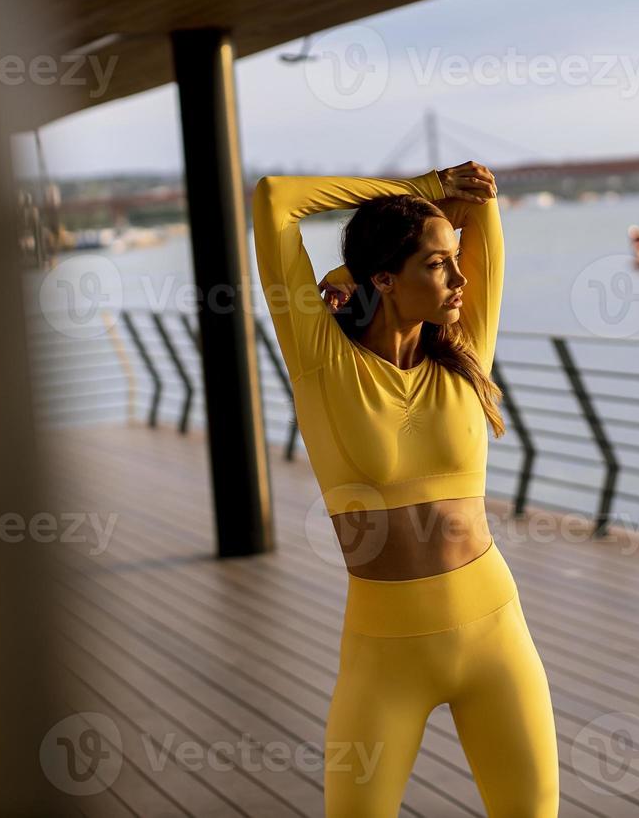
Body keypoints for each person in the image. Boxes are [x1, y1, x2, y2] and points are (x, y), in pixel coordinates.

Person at [251, 161, 560, 817]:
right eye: (437, 264)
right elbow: (275, 200)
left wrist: (448, 206)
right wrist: (415, 190)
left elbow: (480, 206)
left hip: (496, 636)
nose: (460, 278)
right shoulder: (321, 361)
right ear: (386, 278)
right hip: (385, 656)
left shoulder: (467, 347)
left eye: (455, 259)